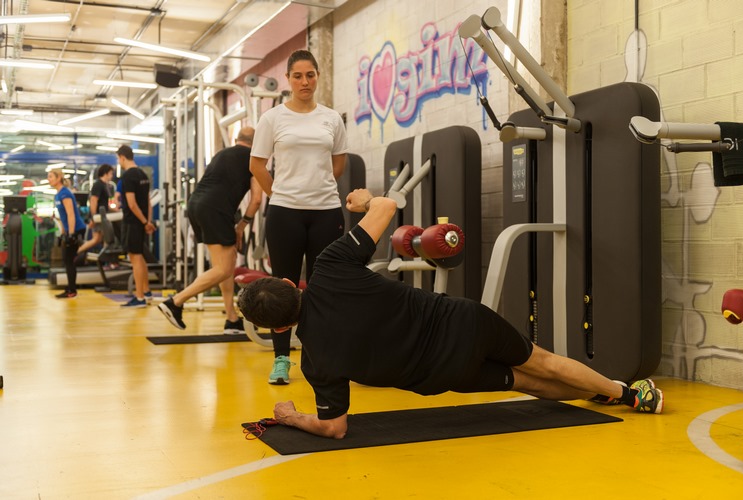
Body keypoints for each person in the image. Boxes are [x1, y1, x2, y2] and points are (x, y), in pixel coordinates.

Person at [238, 189, 665, 439]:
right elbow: (387, 207)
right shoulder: (330, 267)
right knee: (545, 361)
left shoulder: (317, 363)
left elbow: (335, 428)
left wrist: (292, 417)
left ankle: (602, 394)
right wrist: (363, 200)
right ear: (293, 284)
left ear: (278, 327)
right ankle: (628, 395)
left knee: (530, 384)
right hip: (464, 323)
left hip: (445, 373)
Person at [250, 49, 348, 384]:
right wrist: (278, 192)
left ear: (318, 76)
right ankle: (281, 359)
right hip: (285, 212)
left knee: (325, 287)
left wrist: (316, 185)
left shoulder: (331, 118)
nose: (305, 82)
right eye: (297, 76)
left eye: (310, 75)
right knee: (284, 286)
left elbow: (338, 162)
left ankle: (321, 356)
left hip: (325, 210)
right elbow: (257, 164)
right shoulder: (273, 118)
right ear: (289, 79)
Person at [158, 127, 262, 333]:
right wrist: (242, 225)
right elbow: (257, 199)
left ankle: (232, 319)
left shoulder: (222, 153)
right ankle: (175, 302)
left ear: (236, 139)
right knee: (223, 269)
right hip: (217, 209)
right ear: (257, 141)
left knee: (225, 266)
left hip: (196, 205)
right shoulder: (254, 158)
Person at [117, 145, 155, 308]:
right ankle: (146, 292)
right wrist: (148, 221)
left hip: (133, 222)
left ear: (122, 158)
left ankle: (139, 297)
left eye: (118, 159)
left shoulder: (128, 176)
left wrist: (145, 222)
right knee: (140, 257)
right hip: (141, 222)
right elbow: (148, 202)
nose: (119, 162)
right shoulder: (142, 174)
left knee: (135, 258)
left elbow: (132, 204)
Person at [48, 169, 87, 299]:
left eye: (51, 177)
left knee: (69, 260)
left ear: (59, 178)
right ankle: (71, 288)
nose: (49, 179)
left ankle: (72, 290)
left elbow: (71, 214)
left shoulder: (65, 193)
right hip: (70, 229)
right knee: (67, 260)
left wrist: (71, 234)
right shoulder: (58, 194)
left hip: (76, 229)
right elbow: (63, 216)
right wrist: (63, 233)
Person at [77, 164, 115, 257]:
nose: (112, 176)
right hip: (98, 216)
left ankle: (106, 259)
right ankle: (76, 252)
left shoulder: (107, 186)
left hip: (104, 216)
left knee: (102, 239)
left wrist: (115, 210)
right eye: (110, 173)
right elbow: (93, 201)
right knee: (99, 239)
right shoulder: (98, 185)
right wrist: (93, 217)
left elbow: (106, 203)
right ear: (105, 173)